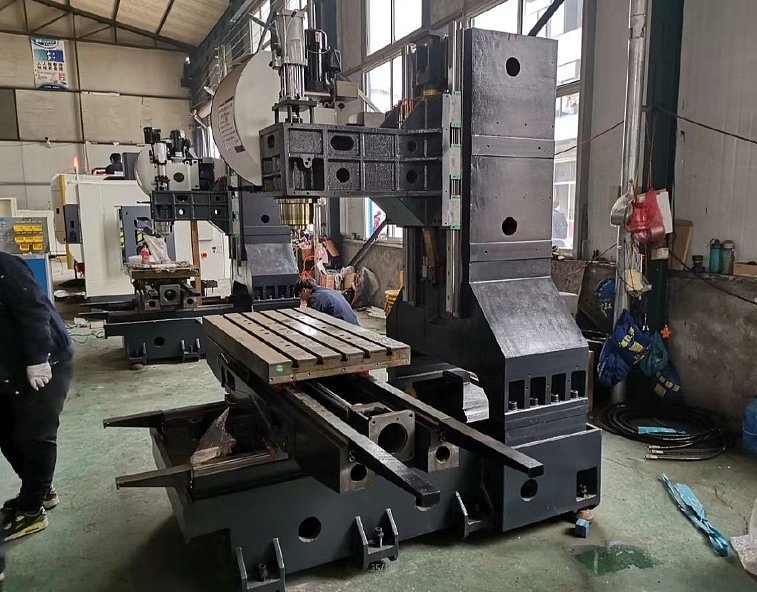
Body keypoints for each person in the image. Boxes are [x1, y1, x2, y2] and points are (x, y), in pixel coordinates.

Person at [0, 252, 73, 542]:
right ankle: (40, 490)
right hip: (8, 367)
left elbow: (33, 309)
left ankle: (32, 511)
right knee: (7, 433)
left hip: (44, 361)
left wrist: (38, 358)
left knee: (35, 435)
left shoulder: (6, 267)